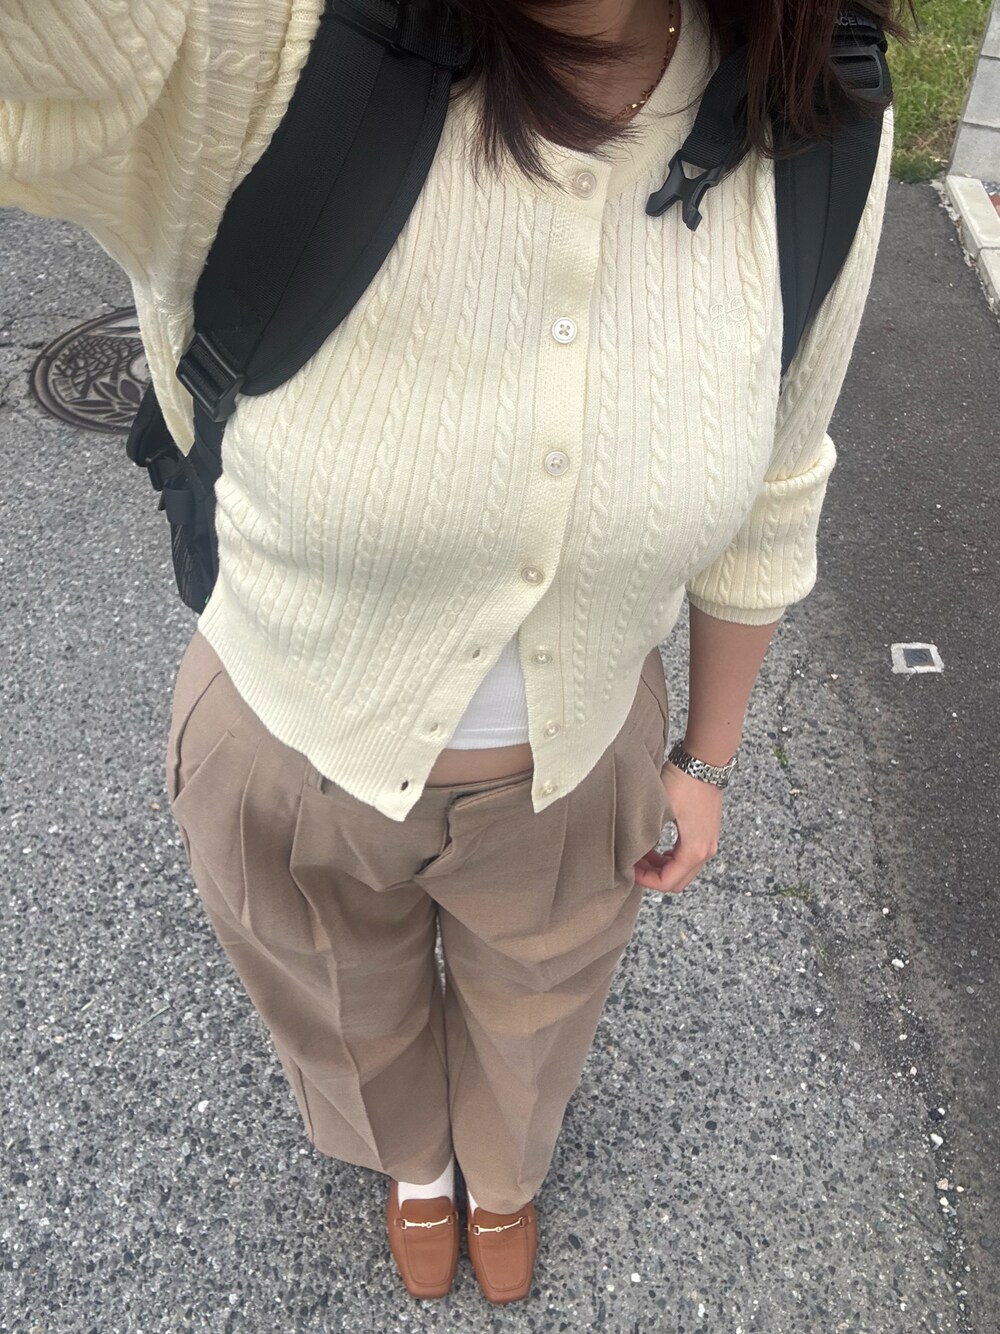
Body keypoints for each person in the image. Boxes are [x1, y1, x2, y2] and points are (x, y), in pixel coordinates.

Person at [0, 0, 901, 1306]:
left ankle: (505, 1170)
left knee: (541, 1014)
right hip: (288, 737)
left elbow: (778, 476)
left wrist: (706, 758)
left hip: (578, 759)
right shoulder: (266, 44)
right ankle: (415, 1165)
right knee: (338, 998)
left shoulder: (817, 104)